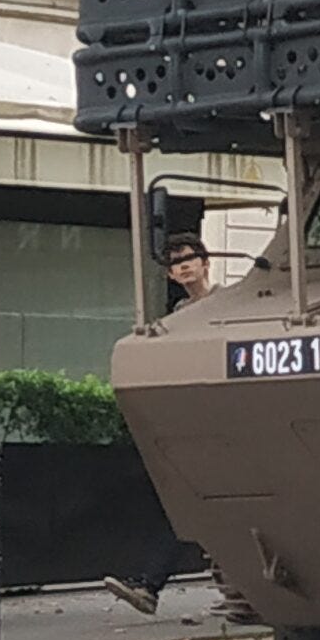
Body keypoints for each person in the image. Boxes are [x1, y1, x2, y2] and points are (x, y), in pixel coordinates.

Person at [104, 235, 217, 615]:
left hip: (220, 420)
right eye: (175, 263)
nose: (183, 266)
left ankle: (152, 584)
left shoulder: (229, 303)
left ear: (205, 262)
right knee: (190, 506)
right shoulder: (175, 318)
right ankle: (152, 585)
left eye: (189, 258)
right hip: (192, 423)